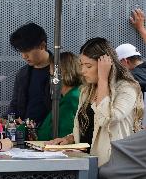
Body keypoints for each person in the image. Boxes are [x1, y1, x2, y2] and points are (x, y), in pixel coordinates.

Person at [46, 37, 143, 166]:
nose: (83, 71)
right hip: (87, 163)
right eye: (81, 65)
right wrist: (70, 138)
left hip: (112, 165)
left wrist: (103, 79)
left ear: (106, 66)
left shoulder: (127, 88)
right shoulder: (87, 90)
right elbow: (88, 126)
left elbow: (105, 119)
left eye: (88, 66)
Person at [0, 23, 52, 128]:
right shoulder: (22, 74)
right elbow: (15, 104)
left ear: (42, 46)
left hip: (49, 133)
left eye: (27, 50)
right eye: (21, 51)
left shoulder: (61, 71)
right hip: (25, 133)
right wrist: (5, 119)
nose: (24, 56)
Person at [37, 52, 82, 140]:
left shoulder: (71, 100)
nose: (51, 80)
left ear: (62, 74)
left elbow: (63, 132)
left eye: (52, 75)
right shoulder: (71, 96)